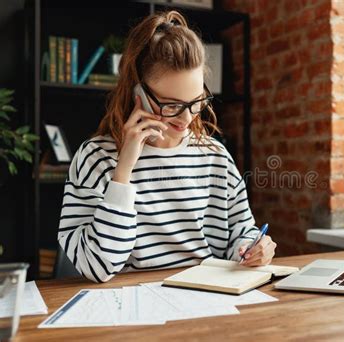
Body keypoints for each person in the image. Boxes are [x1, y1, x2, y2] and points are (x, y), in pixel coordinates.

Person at [57, 11, 277, 282]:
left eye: (196, 101)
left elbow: (241, 233)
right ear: (138, 93)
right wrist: (123, 172)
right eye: (171, 105)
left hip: (207, 300)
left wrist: (253, 248)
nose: (187, 118)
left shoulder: (216, 156)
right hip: (128, 307)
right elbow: (98, 268)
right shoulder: (95, 158)